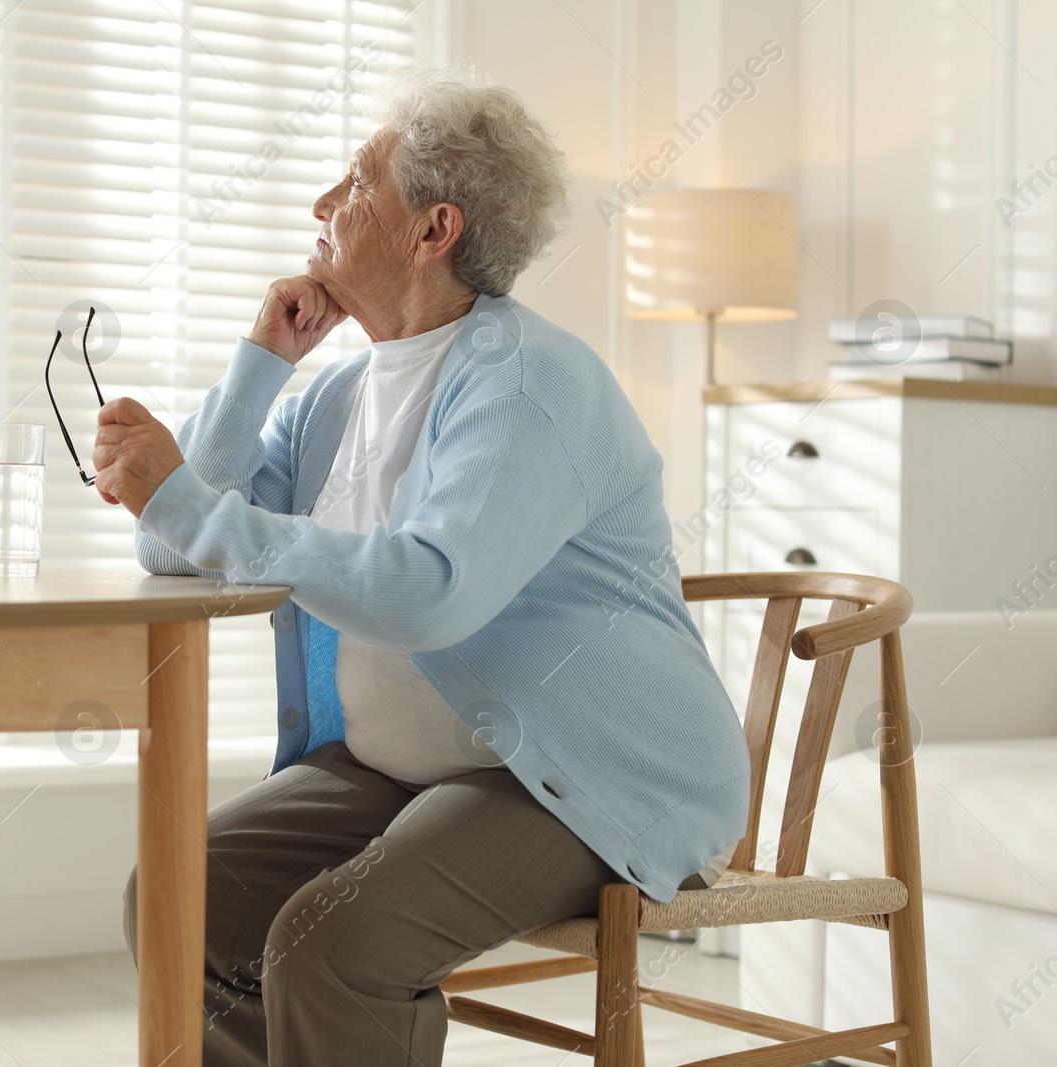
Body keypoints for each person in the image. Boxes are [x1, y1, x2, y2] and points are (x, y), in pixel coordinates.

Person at [92, 67, 748, 1067]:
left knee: (334, 941)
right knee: (184, 893)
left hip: (568, 773)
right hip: (403, 766)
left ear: (432, 228)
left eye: (355, 184)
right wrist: (260, 362)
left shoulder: (528, 381)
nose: (320, 205)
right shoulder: (339, 392)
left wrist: (181, 495)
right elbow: (171, 545)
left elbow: (429, 590)